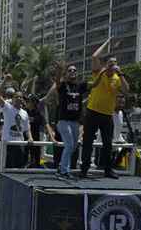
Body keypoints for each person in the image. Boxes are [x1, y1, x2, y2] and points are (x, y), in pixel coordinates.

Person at [80, 37, 129, 179]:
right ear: (105, 64)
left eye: (114, 64)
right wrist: (107, 42)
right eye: (110, 63)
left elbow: (126, 91)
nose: (112, 66)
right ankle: (84, 168)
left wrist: (121, 74)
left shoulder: (117, 78)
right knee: (88, 142)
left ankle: (108, 170)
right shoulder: (98, 72)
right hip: (92, 112)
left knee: (108, 144)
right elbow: (95, 56)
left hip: (107, 115)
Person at [44, 65, 86, 179]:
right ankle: (63, 171)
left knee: (73, 147)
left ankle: (61, 168)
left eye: (74, 70)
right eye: (70, 70)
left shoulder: (80, 86)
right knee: (69, 145)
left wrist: (102, 72)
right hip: (63, 121)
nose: (72, 72)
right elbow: (57, 82)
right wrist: (59, 71)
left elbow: (95, 84)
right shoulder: (63, 86)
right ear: (66, 74)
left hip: (75, 122)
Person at [0, 80, 32, 169]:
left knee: (19, 169)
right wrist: (5, 81)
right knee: (6, 169)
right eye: (16, 97)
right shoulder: (7, 108)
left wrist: (30, 137)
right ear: (13, 98)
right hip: (8, 143)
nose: (19, 98)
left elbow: (27, 128)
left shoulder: (24, 113)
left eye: (21, 97)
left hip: (19, 144)